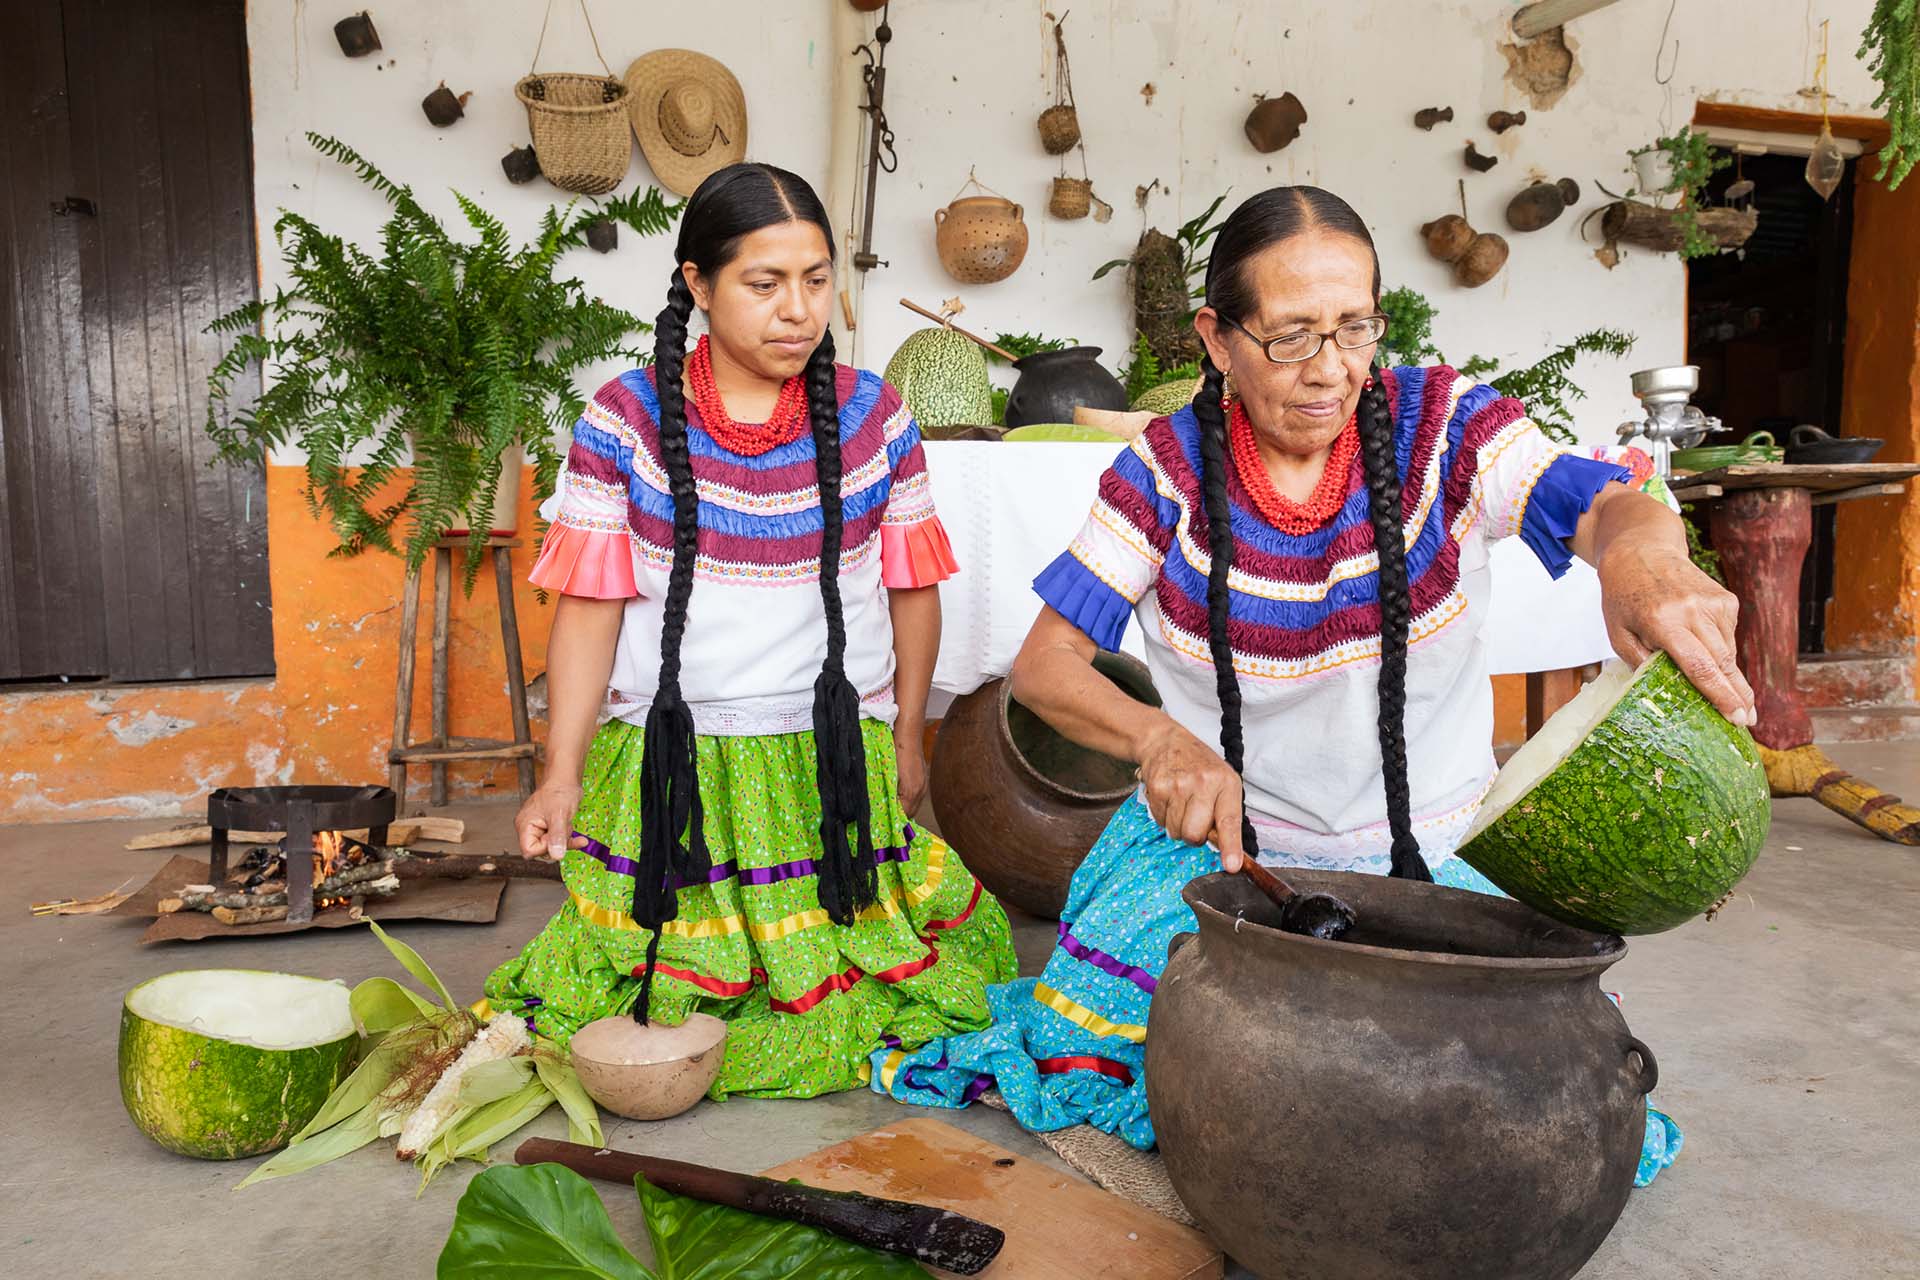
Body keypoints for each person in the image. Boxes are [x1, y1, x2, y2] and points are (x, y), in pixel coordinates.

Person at [869, 186, 1745, 1185]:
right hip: (1226, 864)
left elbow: (1610, 509)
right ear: (1217, 337)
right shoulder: (1163, 471)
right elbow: (1047, 664)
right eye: (1290, 337)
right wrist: (1160, 740)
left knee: (1523, 1097)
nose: (1331, 369)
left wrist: (1641, 555)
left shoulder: (1446, 427)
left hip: (1437, 856)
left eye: (1354, 327)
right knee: (1160, 1071)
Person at [485, 163, 1017, 1099]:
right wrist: (559, 770)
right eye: (763, 284)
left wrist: (904, 738)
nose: (798, 310)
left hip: (825, 766)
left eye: (816, 280)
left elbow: (912, 591)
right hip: (670, 761)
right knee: (636, 980)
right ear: (697, 284)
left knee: (857, 966)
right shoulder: (626, 419)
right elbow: (590, 608)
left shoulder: (875, 417)